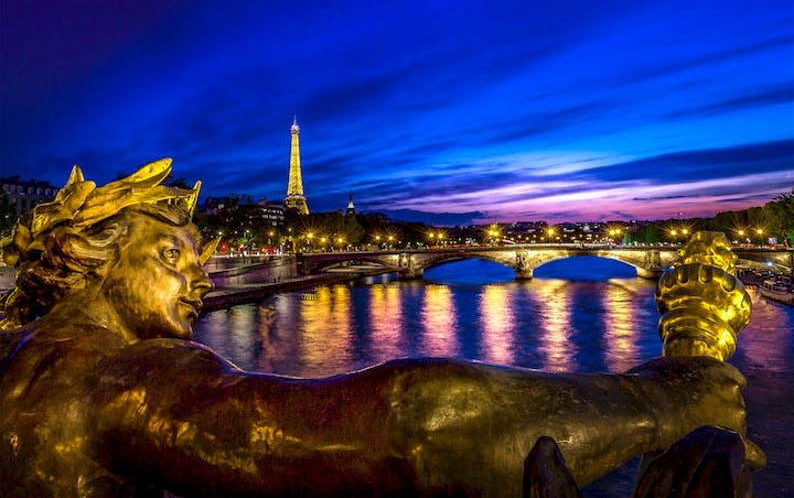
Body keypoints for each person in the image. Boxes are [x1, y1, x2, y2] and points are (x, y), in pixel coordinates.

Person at [0, 160, 761, 497]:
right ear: (83, 258)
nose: (199, 275)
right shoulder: (117, 379)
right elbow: (411, 427)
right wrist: (658, 399)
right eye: (172, 253)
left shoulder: (22, 359)